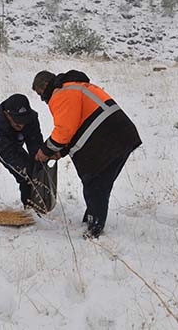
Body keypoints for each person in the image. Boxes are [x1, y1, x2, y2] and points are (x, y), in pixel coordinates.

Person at [32, 70, 141, 238]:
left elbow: (65, 131)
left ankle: (94, 231)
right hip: (122, 136)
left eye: (40, 94)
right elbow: (76, 126)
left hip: (109, 139)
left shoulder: (61, 93)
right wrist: (60, 153)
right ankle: (91, 222)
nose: (42, 99)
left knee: (95, 184)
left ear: (46, 86)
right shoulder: (75, 87)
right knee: (99, 185)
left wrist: (45, 151)